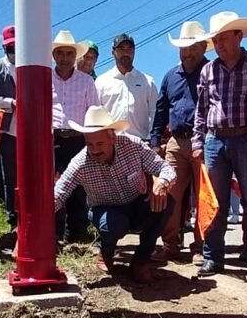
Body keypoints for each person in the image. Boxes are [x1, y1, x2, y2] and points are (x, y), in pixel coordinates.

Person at [192, 11, 247, 281]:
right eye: (215, 39)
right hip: (215, 140)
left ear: (239, 36)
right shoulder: (208, 70)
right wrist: (198, 142)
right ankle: (212, 258)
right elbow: (201, 110)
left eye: (223, 38)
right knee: (215, 203)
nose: (218, 44)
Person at [54, 106, 176, 283]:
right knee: (112, 224)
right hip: (104, 210)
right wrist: (34, 224)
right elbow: (59, 194)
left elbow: (165, 168)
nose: (94, 150)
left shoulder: (134, 145)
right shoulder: (79, 163)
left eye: (100, 143)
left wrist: (162, 183)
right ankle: (106, 251)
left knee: (167, 203)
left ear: (113, 137)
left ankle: (140, 261)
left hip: (136, 204)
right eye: (90, 144)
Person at [150, 20, 211, 265]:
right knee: (170, 194)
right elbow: (161, 109)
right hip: (176, 141)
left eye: (192, 47)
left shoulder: (212, 71)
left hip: (206, 142)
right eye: (183, 48)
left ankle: (200, 247)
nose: (187, 52)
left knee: (204, 197)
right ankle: (170, 244)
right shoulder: (170, 76)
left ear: (203, 47)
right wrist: (155, 140)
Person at [52, 29, 98, 243]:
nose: (64, 58)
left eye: (69, 54)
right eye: (60, 53)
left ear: (75, 56)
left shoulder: (86, 81)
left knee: (78, 187)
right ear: (54, 55)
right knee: (54, 187)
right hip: (52, 140)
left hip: (78, 140)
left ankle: (77, 235)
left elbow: (94, 111)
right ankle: (54, 235)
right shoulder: (44, 78)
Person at [96, 33, 158, 140]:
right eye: (121, 49)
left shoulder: (147, 81)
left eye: (129, 49)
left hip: (141, 143)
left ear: (134, 52)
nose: (126, 52)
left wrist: (152, 139)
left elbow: (155, 113)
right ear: (113, 52)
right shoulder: (101, 81)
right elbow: (96, 114)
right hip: (111, 143)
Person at [0, 24, 17, 229]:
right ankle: (11, 216)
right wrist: (11, 103)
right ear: (4, 48)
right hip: (5, 129)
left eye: (18, 47)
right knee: (9, 176)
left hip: (28, 131)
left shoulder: (33, 65)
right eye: (11, 48)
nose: (15, 52)